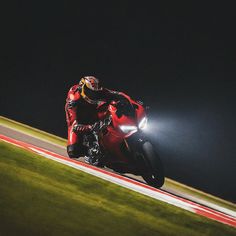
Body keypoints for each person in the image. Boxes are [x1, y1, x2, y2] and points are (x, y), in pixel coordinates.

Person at [65, 75, 128, 165]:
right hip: (79, 115)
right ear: (82, 88)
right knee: (73, 151)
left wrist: (132, 102)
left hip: (95, 109)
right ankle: (91, 153)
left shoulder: (99, 90)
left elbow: (118, 94)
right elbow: (73, 124)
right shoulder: (73, 99)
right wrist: (89, 127)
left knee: (113, 105)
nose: (92, 94)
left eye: (94, 92)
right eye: (89, 91)